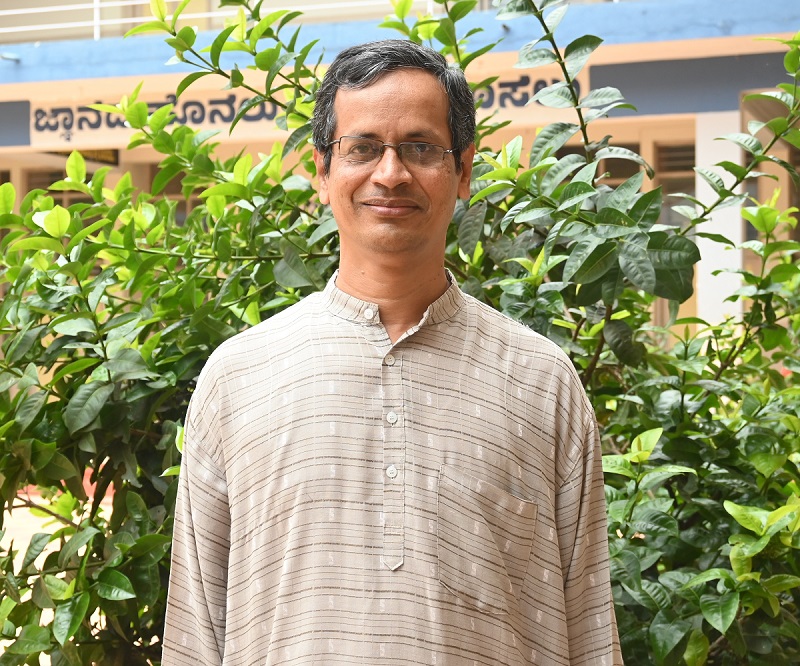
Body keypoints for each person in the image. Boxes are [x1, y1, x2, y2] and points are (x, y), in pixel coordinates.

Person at [161, 39, 622, 666]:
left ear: (464, 171)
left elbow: (589, 630)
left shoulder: (542, 382)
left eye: (421, 148)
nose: (390, 173)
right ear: (322, 170)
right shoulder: (238, 378)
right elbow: (195, 634)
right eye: (362, 147)